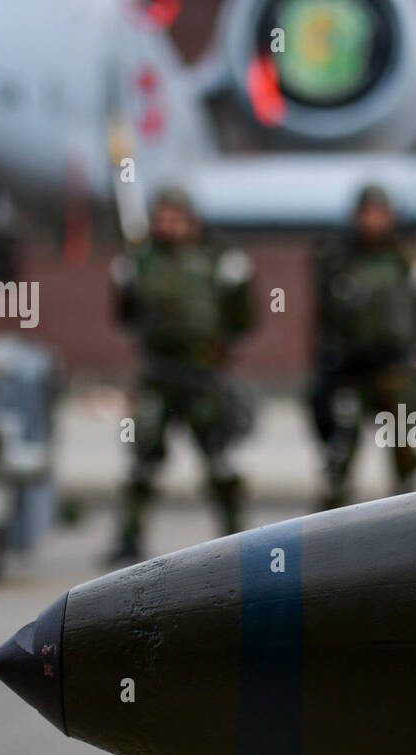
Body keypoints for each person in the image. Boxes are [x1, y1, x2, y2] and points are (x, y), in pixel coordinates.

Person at [105, 186, 256, 563]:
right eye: (161, 218)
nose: (167, 225)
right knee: (143, 460)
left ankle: (236, 535)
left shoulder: (218, 262)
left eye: (175, 218)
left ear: (192, 221)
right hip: (157, 376)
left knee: (218, 459)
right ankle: (129, 537)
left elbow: (244, 319)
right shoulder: (140, 263)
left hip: (203, 379)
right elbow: (125, 317)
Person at [311, 184, 416, 508]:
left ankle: (411, 525)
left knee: (406, 454)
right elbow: (324, 317)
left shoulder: (409, 262)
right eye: (365, 213)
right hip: (351, 371)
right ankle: (327, 535)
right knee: (339, 456)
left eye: (377, 213)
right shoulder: (338, 262)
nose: (371, 221)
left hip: (397, 370)